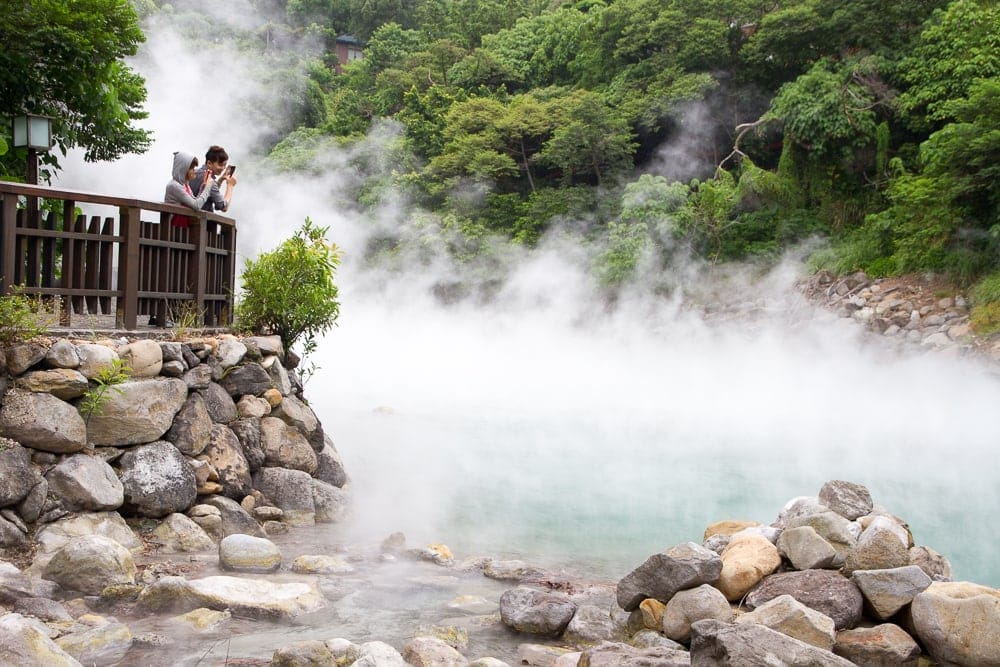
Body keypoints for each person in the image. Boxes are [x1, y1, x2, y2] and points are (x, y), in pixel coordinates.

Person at [189, 145, 237, 213]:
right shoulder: (210, 182)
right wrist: (230, 186)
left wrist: (220, 180)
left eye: (224, 165)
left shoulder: (193, 173)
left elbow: (209, 192)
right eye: (220, 165)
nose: (223, 168)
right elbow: (223, 207)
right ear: (209, 163)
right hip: (202, 221)